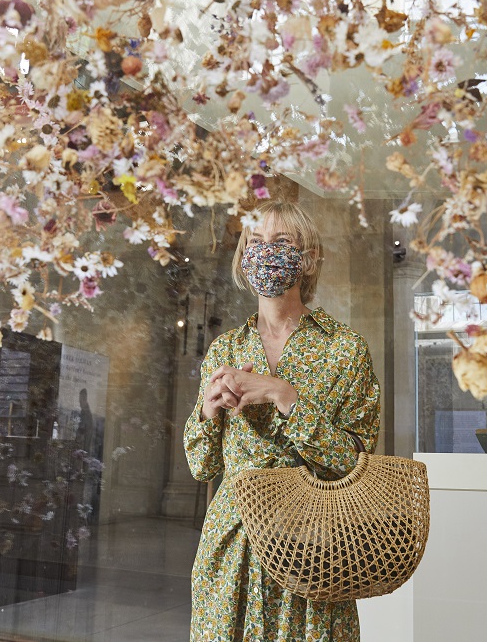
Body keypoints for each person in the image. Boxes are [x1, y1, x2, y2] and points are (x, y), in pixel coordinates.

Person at [184, 200, 381, 642]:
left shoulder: (345, 350)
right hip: (232, 543)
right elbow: (201, 467)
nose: (265, 251)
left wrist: (284, 396)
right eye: (255, 242)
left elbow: (353, 463)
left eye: (282, 241)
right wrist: (207, 412)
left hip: (314, 546)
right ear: (242, 256)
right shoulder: (225, 350)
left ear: (307, 257)